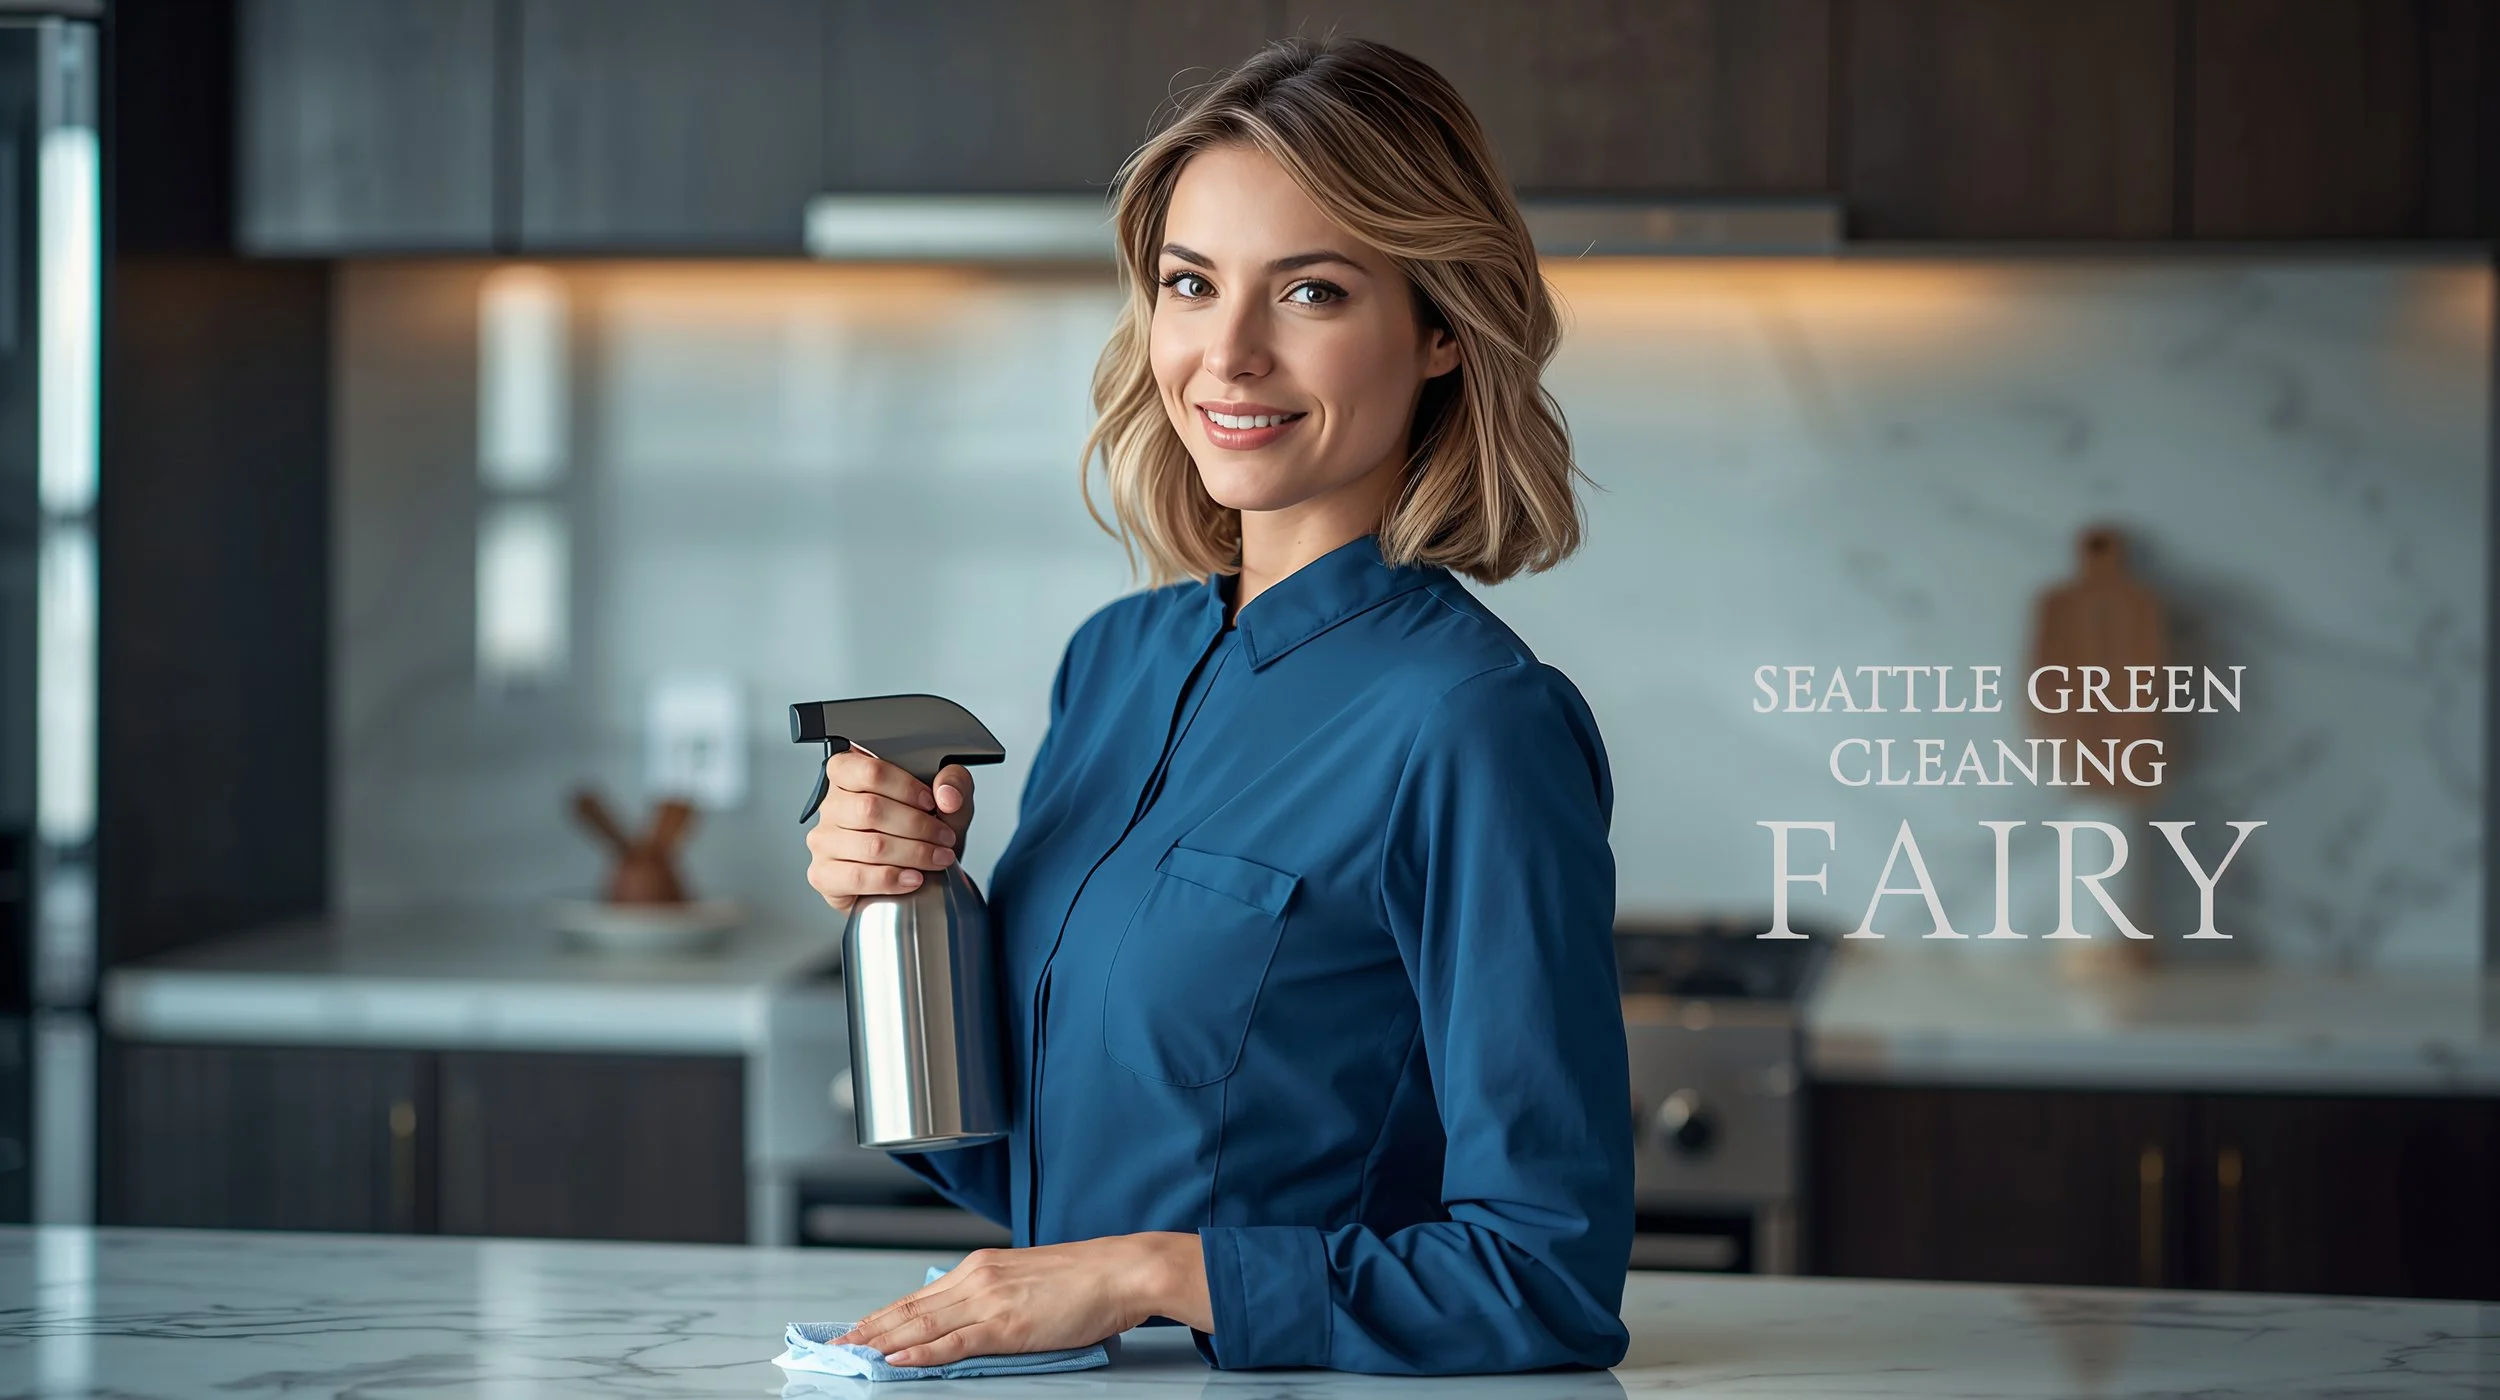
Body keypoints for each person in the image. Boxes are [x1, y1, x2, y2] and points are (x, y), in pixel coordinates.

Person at [800, 34, 1631, 1376]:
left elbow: (1545, 1279)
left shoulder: (1475, 723)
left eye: (1308, 291)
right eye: (1192, 285)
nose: (1228, 353)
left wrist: (1152, 1275)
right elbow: (1035, 1181)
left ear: (1437, 331)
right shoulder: (1114, 662)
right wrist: (898, 908)